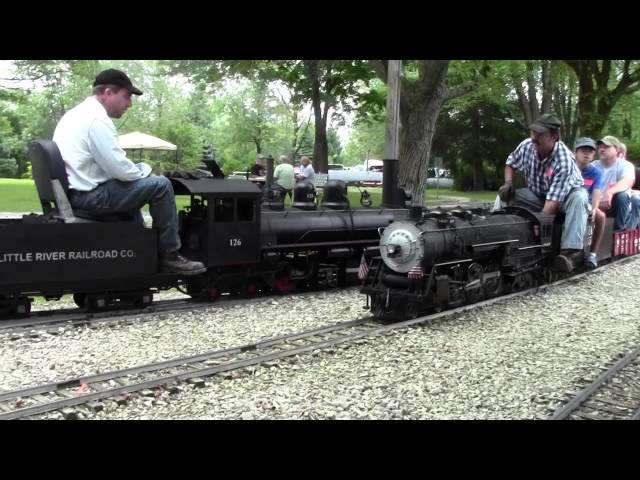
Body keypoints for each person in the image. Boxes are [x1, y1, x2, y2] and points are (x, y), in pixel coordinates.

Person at [52, 68, 206, 276]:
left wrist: (140, 171)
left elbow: (112, 167)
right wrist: (147, 171)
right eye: (126, 96)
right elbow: (120, 169)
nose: (130, 103)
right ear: (108, 93)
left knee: (135, 189)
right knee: (160, 186)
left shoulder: (75, 115)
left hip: (78, 193)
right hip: (90, 197)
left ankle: (138, 253)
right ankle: (170, 256)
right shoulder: (96, 120)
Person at [495, 114, 589, 272]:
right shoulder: (527, 146)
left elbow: (551, 206)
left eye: (539, 134)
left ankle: (571, 253)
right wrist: (508, 183)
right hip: (537, 195)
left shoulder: (564, 160)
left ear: (553, 137)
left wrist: (537, 232)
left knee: (579, 198)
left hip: (566, 198)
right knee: (504, 195)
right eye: (533, 132)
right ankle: (498, 229)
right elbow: (511, 163)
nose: (533, 137)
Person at [592, 135, 640, 231]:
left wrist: (610, 192)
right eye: (600, 146)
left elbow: (628, 180)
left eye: (606, 146)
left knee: (623, 196)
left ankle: (619, 233)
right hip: (595, 204)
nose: (602, 149)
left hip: (616, 205)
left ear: (617, 149)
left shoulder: (625, 165)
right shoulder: (592, 166)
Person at [574, 137, 605, 268]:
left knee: (601, 216)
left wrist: (594, 208)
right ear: (575, 152)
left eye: (590, 152)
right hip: (570, 201)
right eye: (583, 150)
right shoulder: (567, 167)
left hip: (587, 202)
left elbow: (597, 191)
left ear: (593, 155)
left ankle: (592, 254)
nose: (587, 154)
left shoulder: (596, 172)